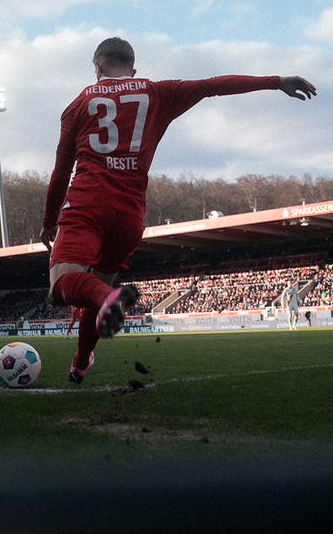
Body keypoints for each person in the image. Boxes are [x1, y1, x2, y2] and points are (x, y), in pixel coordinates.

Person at [40, 37, 316, 384]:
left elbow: (61, 170)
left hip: (87, 206)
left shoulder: (77, 105)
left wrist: (49, 222)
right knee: (99, 289)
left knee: (62, 285)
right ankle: (80, 363)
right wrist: (276, 82)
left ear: (96, 66)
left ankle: (106, 300)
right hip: (129, 216)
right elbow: (212, 85)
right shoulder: (157, 93)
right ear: (133, 68)